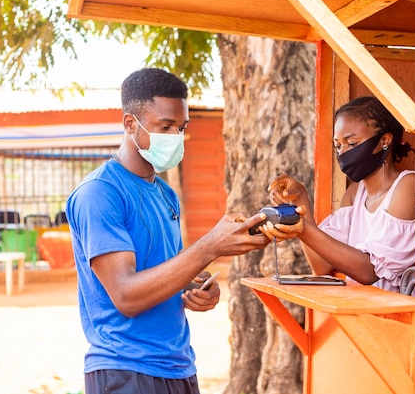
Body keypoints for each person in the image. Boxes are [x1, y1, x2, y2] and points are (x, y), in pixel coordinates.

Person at [65, 68, 270, 394]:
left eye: (181, 127)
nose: (175, 136)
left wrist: (196, 288)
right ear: (130, 124)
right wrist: (210, 247)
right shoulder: (100, 193)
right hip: (125, 369)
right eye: (165, 126)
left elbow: (163, 270)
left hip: (178, 364)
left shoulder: (165, 193)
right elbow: (127, 296)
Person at [261, 96, 415, 293]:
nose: (343, 153)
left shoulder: (408, 185)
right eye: (338, 146)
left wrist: (303, 229)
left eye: (352, 144)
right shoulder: (355, 192)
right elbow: (321, 266)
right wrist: (300, 198)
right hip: (358, 312)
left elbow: (368, 271)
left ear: (384, 141)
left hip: (394, 316)